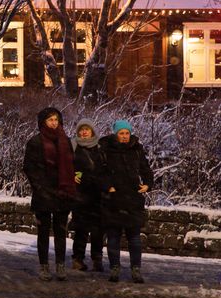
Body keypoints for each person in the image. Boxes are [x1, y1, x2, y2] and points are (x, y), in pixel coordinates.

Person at [23, 107, 76, 281]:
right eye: (50, 120)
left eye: (56, 120)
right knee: (43, 233)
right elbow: (30, 169)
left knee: (61, 232)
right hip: (43, 194)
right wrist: (41, 189)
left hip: (62, 193)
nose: (54, 123)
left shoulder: (65, 141)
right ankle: (44, 266)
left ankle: (60, 265)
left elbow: (72, 165)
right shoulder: (35, 142)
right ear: (43, 122)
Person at [99, 119, 153, 283]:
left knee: (134, 238)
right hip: (114, 199)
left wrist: (148, 185)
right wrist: (108, 186)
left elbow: (145, 168)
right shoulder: (106, 149)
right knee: (113, 237)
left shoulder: (136, 149)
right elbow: (100, 171)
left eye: (127, 133)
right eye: (121, 133)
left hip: (132, 199)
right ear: (116, 134)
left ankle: (135, 269)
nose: (124, 136)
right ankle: (114, 268)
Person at [70, 119, 108, 272]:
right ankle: (78, 259)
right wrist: (72, 174)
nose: (84, 132)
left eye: (87, 129)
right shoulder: (73, 146)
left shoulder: (100, 148)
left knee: (99, 229)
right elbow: (66, 165)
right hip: (80, 194)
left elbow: (106, 168)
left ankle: (97, 259)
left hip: (98, 194)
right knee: (81, 229)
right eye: (81, 129)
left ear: (92, 131)